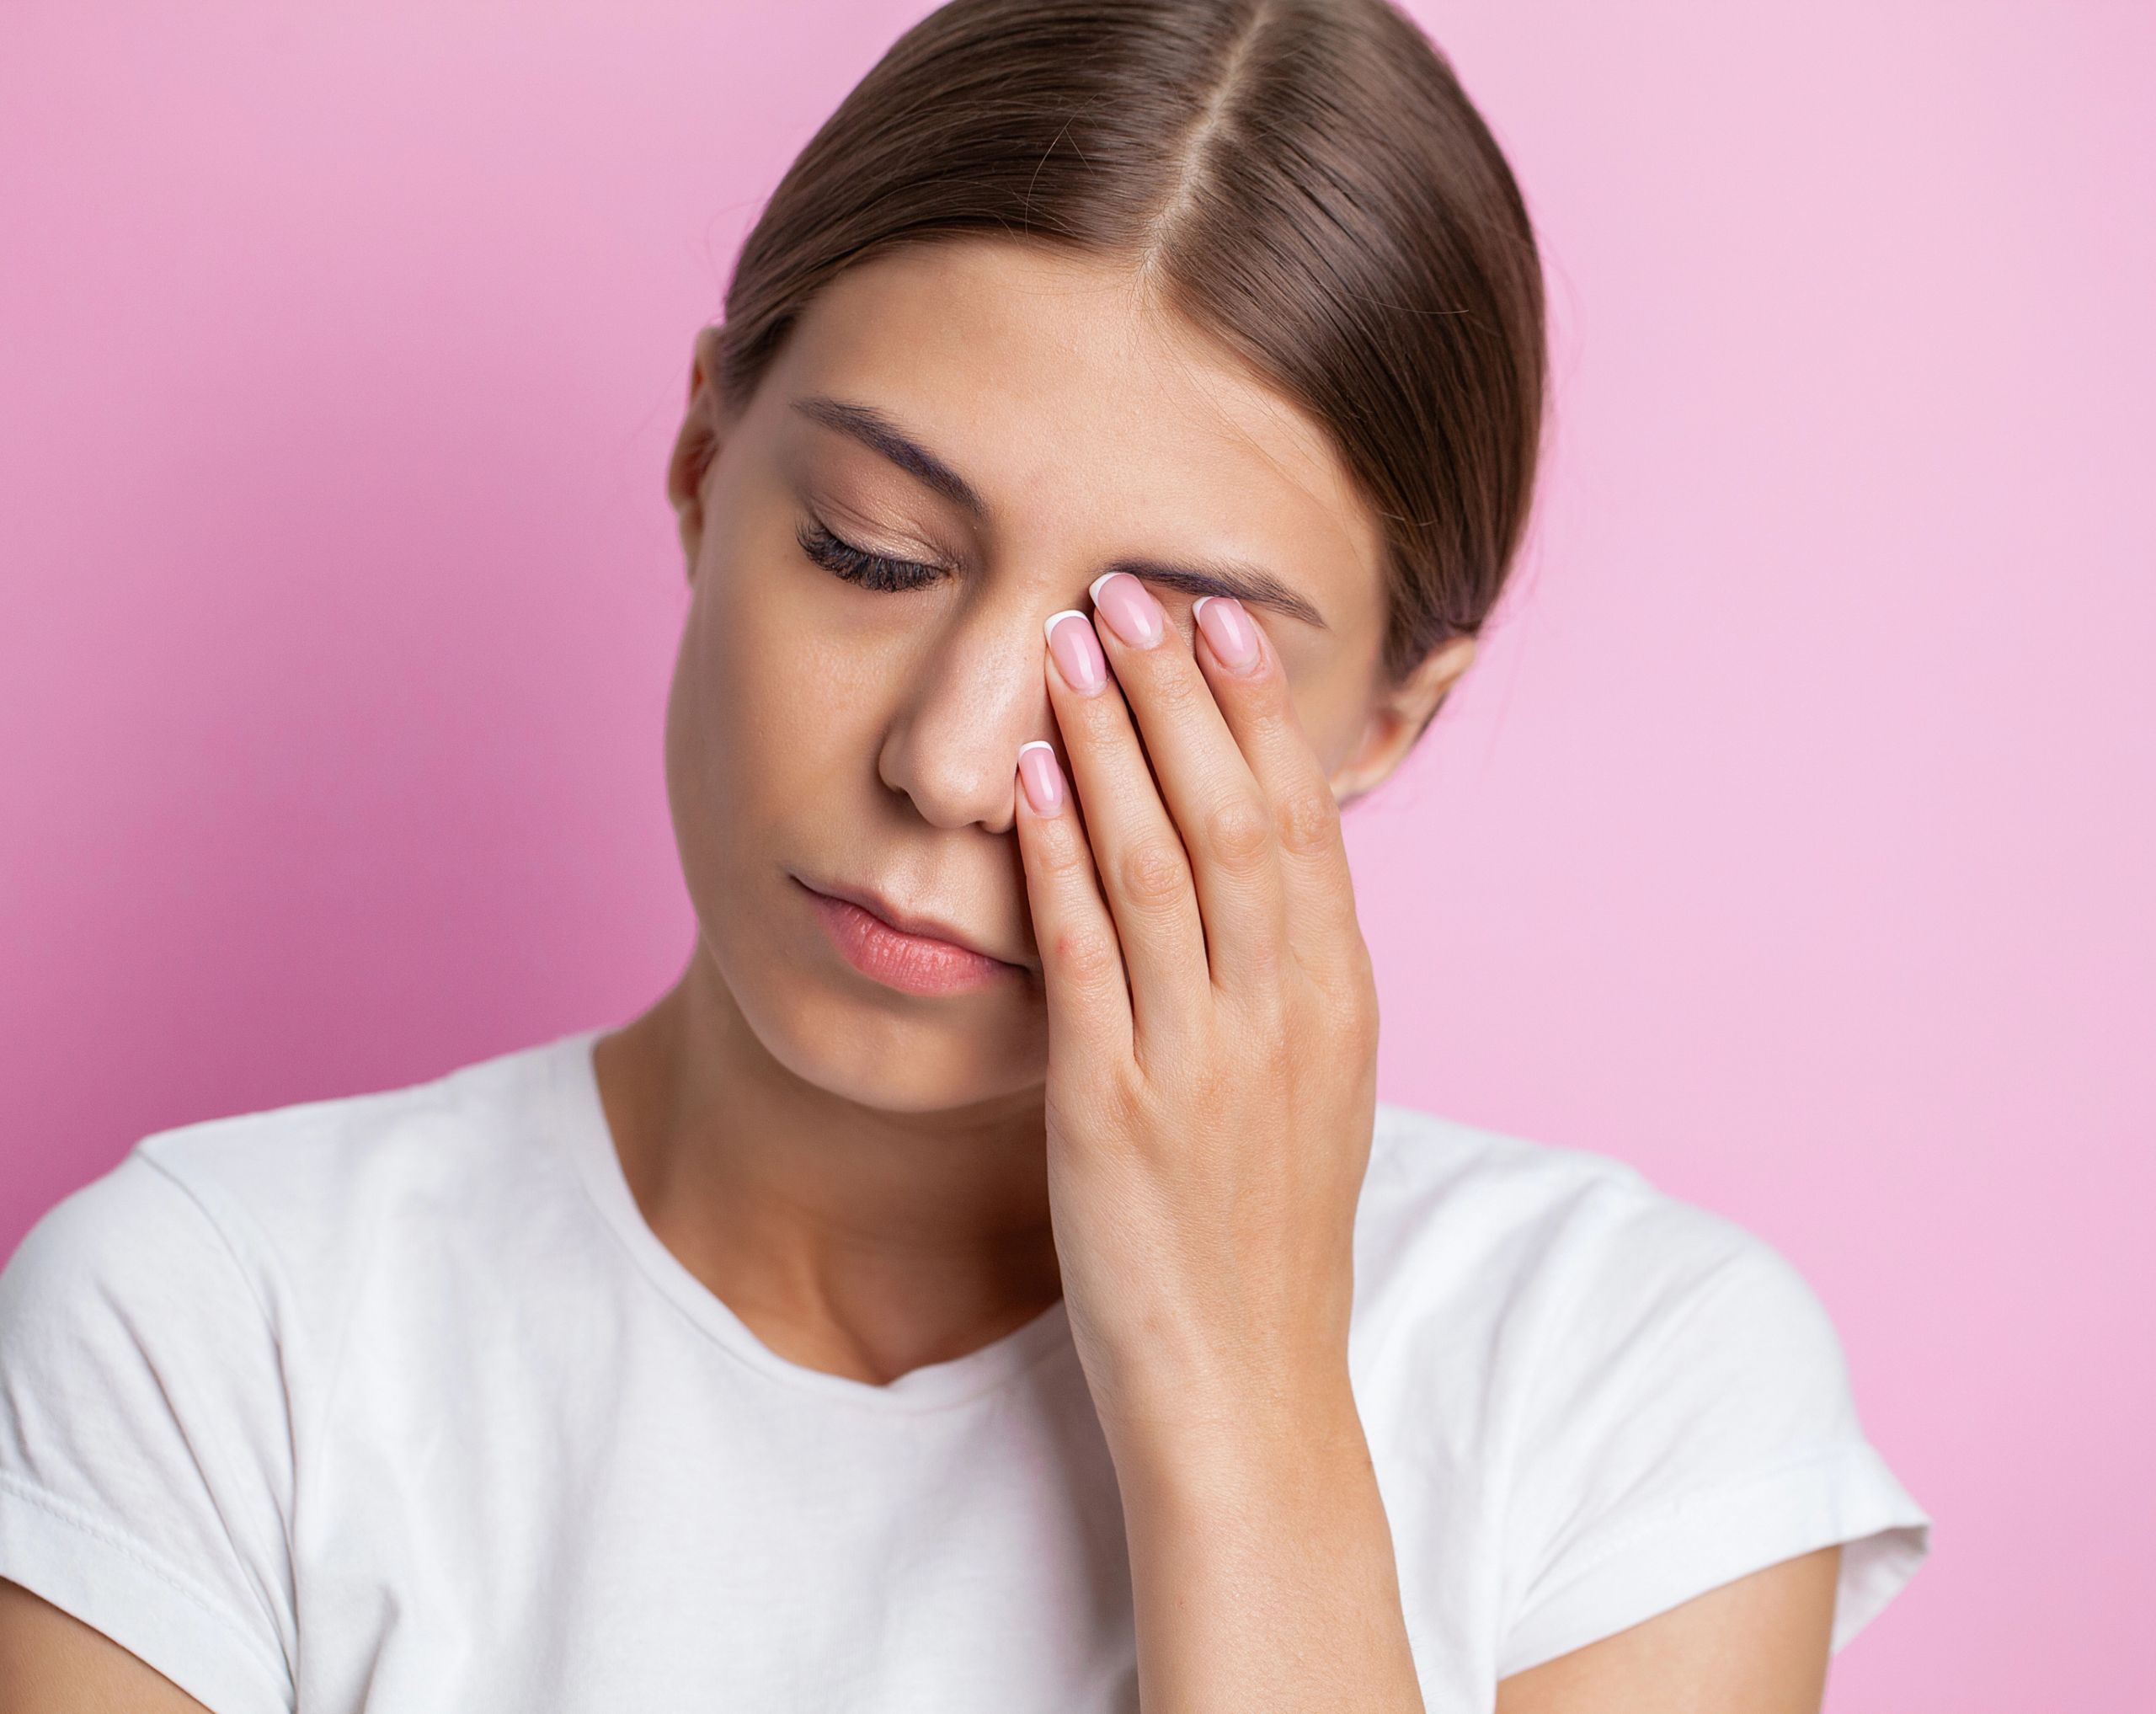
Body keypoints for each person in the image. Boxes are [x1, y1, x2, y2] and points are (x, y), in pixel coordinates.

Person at [0, 0, 1933, 1708]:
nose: (947, 761)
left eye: (1154, 663)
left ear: (1381, 726)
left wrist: (1242, 1415)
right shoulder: (212, 1334)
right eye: (870, 554)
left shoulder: (1628, 1392)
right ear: (701, 467)